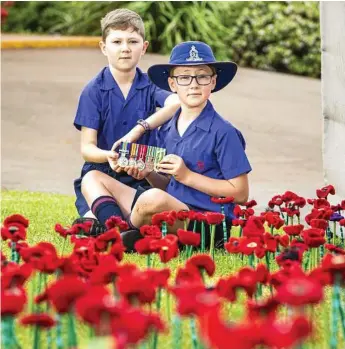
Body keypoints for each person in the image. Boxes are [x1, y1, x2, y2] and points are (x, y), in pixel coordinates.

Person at [81, 41, 252, 250]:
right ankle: (122, 230)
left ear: (213, 81)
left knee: (152, 198)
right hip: (170, 208)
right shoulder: (168, 128)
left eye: (202, 76)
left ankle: (113, 230)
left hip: (205, 223)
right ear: (172, 85)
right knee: (92, 178)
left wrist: (187, 176)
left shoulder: (224, 132)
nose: (194, 84)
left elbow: (241, 194)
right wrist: (148, 173)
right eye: (184, 77)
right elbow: (169, 186)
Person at [73, 8, 180, 234]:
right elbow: (87, 148)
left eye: (133, 41)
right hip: (103, 172)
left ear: (144, 47)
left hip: (141, 174)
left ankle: (112, 226)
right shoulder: (94, 90)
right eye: (116, 41)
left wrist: (140, 129)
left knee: (148, 203)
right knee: (90, 194)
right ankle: (118, 229)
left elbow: (176, 102)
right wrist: (109, 156)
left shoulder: (150, 84)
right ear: (104, 47)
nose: (125, 48)